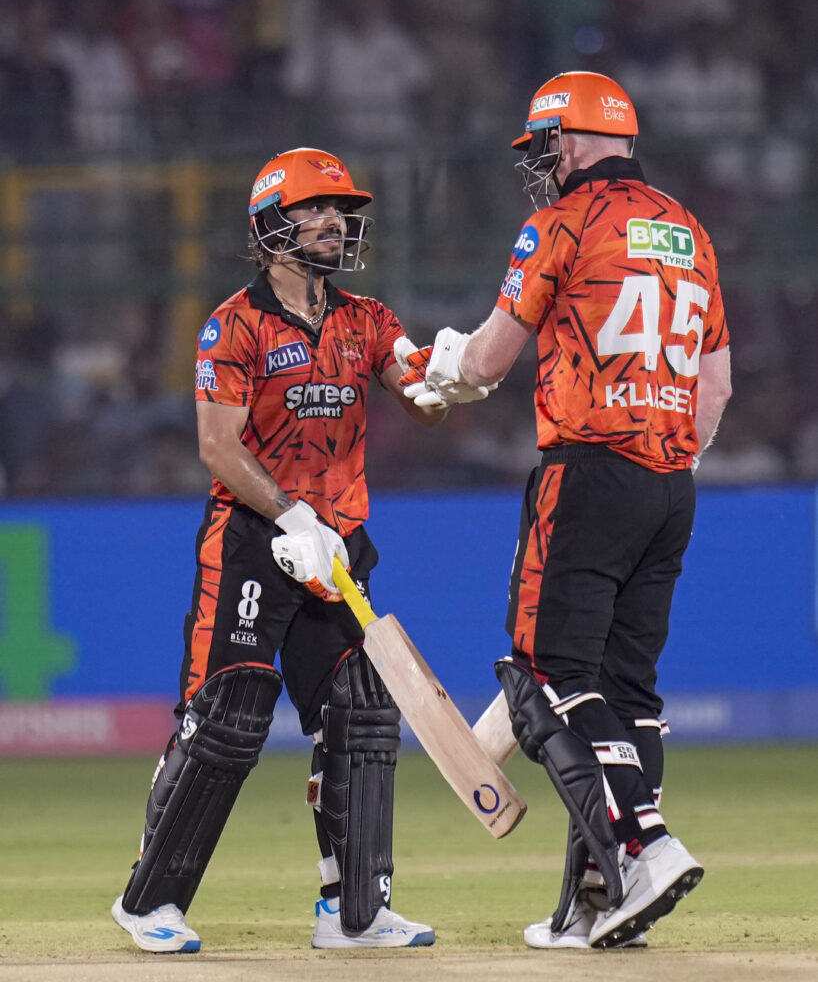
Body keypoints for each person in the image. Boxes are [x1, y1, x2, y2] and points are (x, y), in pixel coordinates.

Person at [110, 146, 471, 953]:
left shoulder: (368, 319)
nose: (337, 223)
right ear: (273, 225)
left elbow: (419, 398)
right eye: (318, 209)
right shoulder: (230, 325)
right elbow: (218, 447)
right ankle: (150, 901)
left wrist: (448, 380)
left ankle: (354, 912)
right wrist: (288, 517)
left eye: (342, 211)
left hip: (337, 547)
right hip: (249, 541)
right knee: (228, 716)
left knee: (363, 715)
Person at [404, 71, 732, 950]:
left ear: (567, 140)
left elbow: (486, 362)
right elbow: (718, 385)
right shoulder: (690, 232)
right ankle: (598, 903)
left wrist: (442, 368)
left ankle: (642, 850)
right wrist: (665, 459)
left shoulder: (561, 223)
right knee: (628, 689)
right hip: (672, 481)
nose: (536, 166)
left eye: (541, 147)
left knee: (545, 670)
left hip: (587, 470)